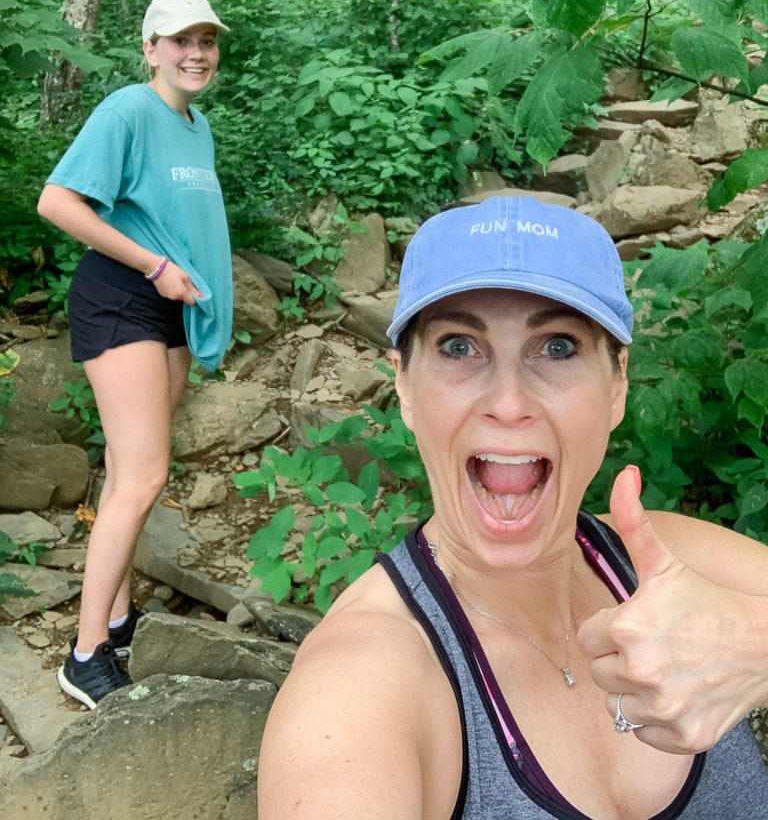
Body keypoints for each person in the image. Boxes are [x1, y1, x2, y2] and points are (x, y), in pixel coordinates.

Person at [257, 195, 768, 819]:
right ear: (404, 386)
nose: (507, 401)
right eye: (458, 347)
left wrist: (754, 638)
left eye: (556, 346)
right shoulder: (359, 689)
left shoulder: (674, 561)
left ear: (617, 386)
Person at [38, 0, 233, 709]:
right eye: (180, 40)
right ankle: (85, 654)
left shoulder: (197, 124)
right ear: (150, 48)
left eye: (207, 40)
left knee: (127, 466)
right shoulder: (127, 110)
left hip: (169, 303)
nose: (197, 53)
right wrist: (153, 266)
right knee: (145, 475)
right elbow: (58, 202)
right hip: (122, 296)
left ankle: (117, 619)